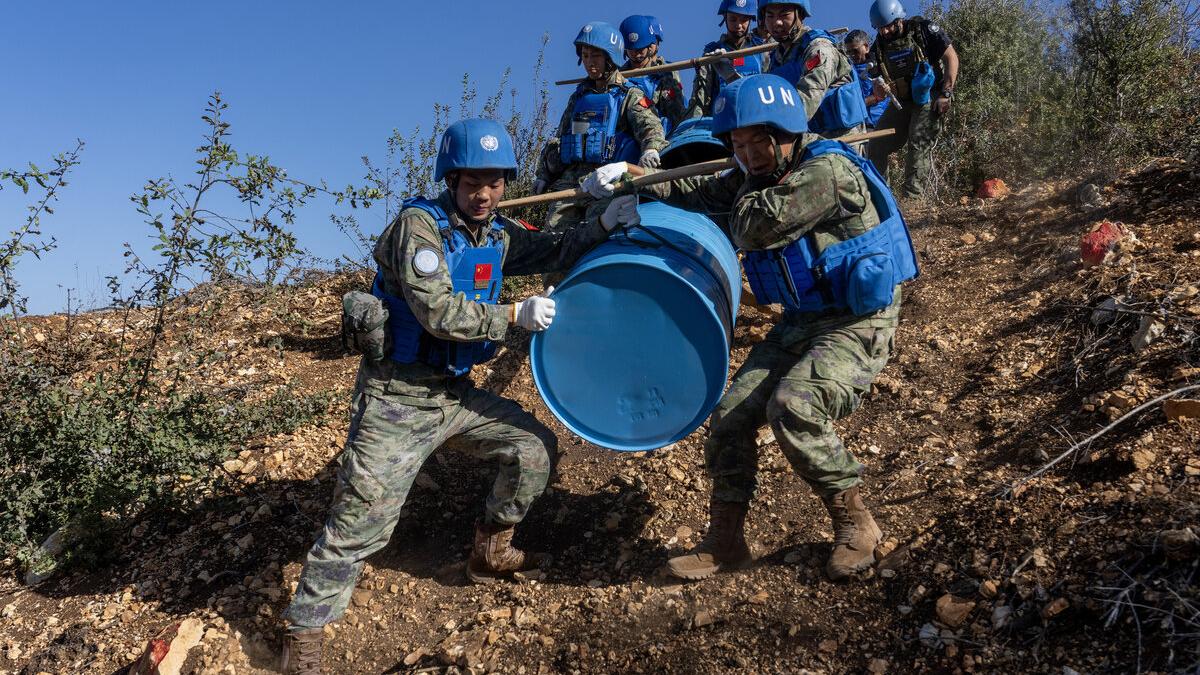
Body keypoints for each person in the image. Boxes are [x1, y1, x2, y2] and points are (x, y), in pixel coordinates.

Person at [279, 119, 640, 675]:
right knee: (359, 523)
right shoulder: (418, 229)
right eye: (473, 182)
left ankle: (491, 548)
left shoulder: (495, 232)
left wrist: (601, 221)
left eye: (495, 182)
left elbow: (550, 247)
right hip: (396, 397)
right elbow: (437, 312)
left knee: (532, 448)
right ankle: (304, 634)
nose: (484, 194)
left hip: (453, 394)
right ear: (452, 179)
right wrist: (512, 315)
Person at [579, 74, 918, 584]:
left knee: (795, 404)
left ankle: (856, 525)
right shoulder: (755, 172)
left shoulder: (825, 172)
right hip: (802, 319)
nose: (749, 153)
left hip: (855, 320)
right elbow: (698, 192)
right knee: (730, 414)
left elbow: (751, 225)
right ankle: (726, 543)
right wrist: (634, 177)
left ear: (786, 133)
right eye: (737, 144)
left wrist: (732, 183)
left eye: (758, 141)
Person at [534, 21, 667, 236]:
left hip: (608, 181)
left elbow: (650, 127)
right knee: (554, 242)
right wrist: (544, 175)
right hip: (571, 183)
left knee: (597, 240)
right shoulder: (578, 97)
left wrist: (651, 149)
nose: (589, 62)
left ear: (610, 57)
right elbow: (561, 139)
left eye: (595, 56)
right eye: (585, 56)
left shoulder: (629, 95)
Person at [865, 0, 959, 198]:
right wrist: (879, 88)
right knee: (875, 145)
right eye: (880, 28)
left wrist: (946, 93)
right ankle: (883, 198)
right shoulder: (878, 47)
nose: (885, 32)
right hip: (901, 102)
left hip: (929, 96)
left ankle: (912, 200)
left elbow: (951, 57)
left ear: (900, 19)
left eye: (888, 26)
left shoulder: (924, 31)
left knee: (918, 139)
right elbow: (877, 88)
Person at [759, 1, 868, 140]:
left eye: (784, 15)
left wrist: (768, 131)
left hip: (842, 141)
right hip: (808, 139)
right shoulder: (776, 58)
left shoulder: (819, 48)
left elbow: (809, 94)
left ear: (800, 15)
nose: (777, 22)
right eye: (770, 16)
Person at [685, 0, 768, 120]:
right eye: (733, 19)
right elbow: (700, 98)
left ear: (751, 19)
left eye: (744, 20)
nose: (738, 25)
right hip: (723, 121)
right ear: (725, 18)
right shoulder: (712, 53)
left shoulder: (761, 50)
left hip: (756, 118)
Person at [619, 15, 687, 134]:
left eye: (640, 49)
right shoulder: (618, 78)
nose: (636, 54)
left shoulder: (665, 74)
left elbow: (677, 114)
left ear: (649, 46)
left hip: (659, 137)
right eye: (632, 49)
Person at [844, 29, 890, 129]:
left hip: (884, 122)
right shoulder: (847, 72)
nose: (852, 55)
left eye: (855, 51)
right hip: (861, 127)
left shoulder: (882, 65)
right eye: (849, 52)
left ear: (866, 47)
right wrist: (875, 98)